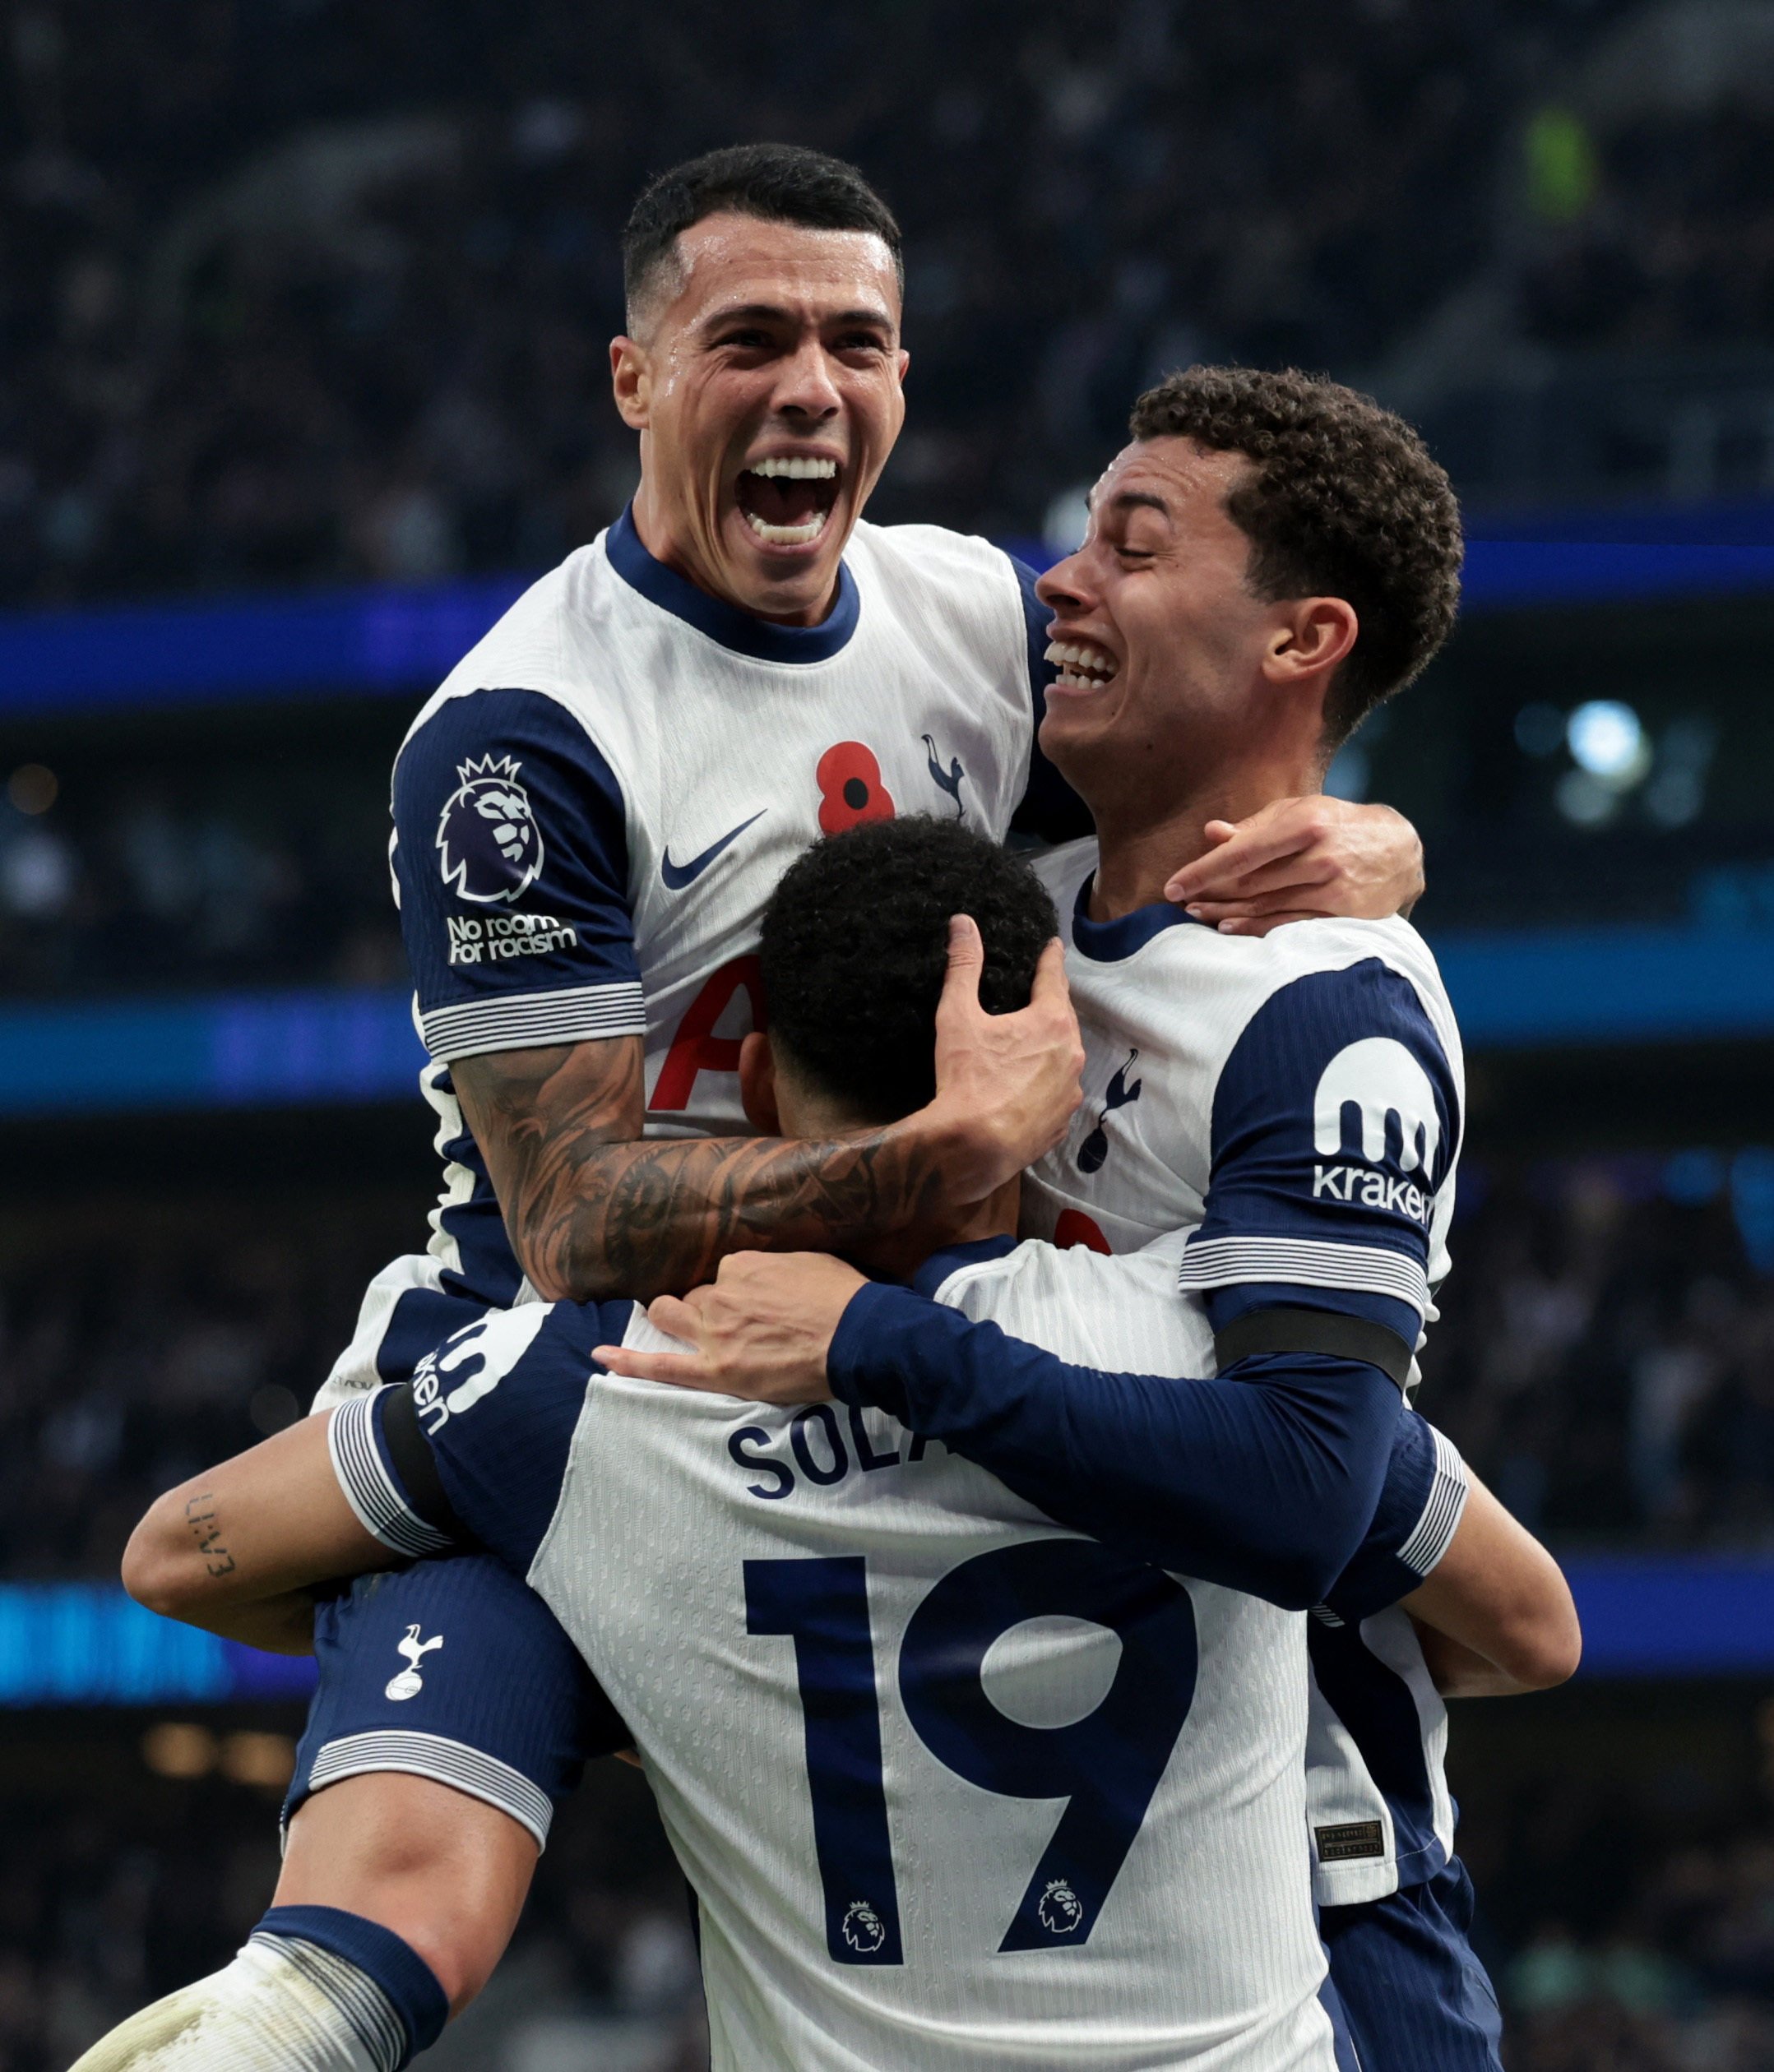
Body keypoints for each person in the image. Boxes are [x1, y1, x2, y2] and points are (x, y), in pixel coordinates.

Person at [241, 140, 1425, 2028]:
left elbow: (1194, 775)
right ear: (633, 379)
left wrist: (1363, 838)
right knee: (371, 1926)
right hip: (623, 1376)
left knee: (1441, 1572)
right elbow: (575, 1218)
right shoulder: (519, 736)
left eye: (855, 344)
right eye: (749, 340)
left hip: (924, 1326)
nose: (810, 386)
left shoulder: (966, 615)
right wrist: (943, 1151)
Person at [107, 819, 1519, 2072]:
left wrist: (626, 1661)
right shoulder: (1210, 1358)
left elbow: (182, 1557)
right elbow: (1529, 1632)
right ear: (1050, 1069)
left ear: (763, 1090)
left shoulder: (592, 1381)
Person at [599, 367, 1582, 2070]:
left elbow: (1300, 1497)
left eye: (1131, 546)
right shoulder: (1001, 911)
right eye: (1075, 540)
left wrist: (873, 1343)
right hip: (999, 1881)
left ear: (1300, 640)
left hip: (1304, 1912)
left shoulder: (1319, 1009)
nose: (1057, 582)